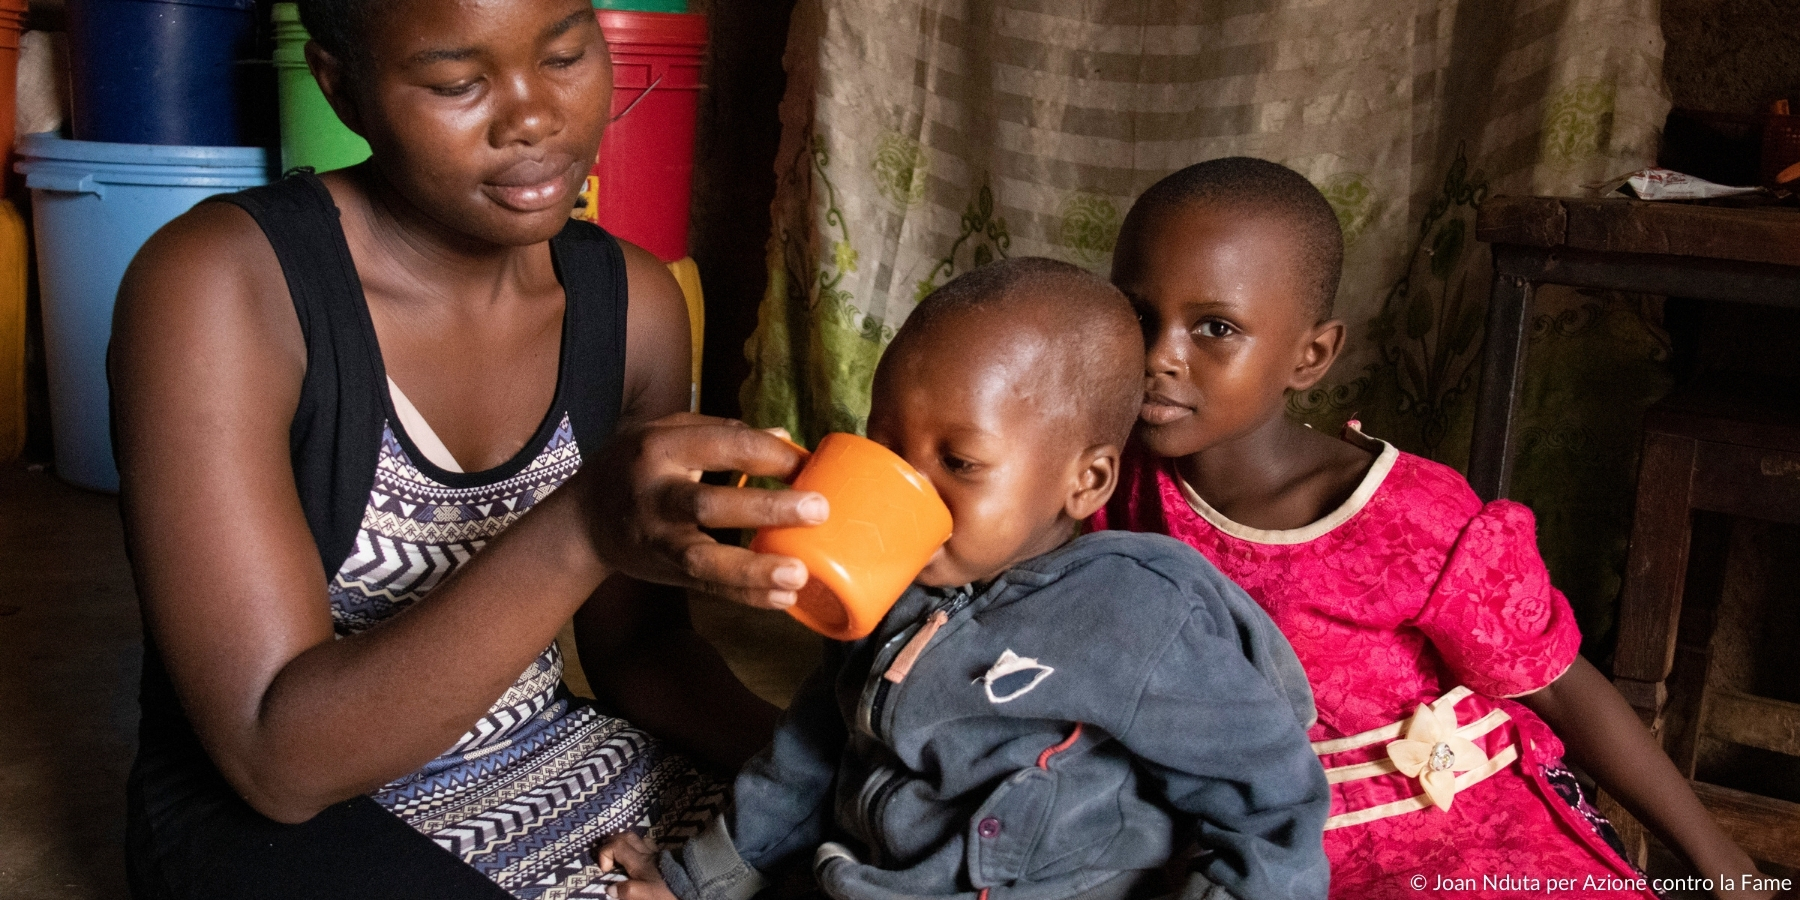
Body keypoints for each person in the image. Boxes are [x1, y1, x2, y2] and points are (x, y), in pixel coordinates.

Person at [108, 0, 827, 896]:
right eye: (457, 82)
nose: (533, 117)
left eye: (565, 55)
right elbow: (275, 761)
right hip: (296, 804)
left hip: (546, 756)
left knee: (875, 867)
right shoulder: (224, 285)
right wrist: (581, 529)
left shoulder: (631, 306)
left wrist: (829, 780)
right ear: (343, 90)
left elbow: (640, 652)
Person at [1093, 157, 1792, 900]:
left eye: (1215, 327)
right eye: (1137, 316)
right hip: (1255, 848)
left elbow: (1558, 686)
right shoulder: (1103, 481)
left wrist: (1727, 868)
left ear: (1312, 355)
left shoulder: (1405, 517)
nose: (1160, 355)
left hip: (1453, 842)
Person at [597, 258, 1333, 900]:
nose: (909, 483)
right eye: (887, 444)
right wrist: (700, 877)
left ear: (1088, 480)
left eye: (960, 463)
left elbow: (1269, 797)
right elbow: (811, 751)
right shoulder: (892, 588)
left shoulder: (1137, 614)